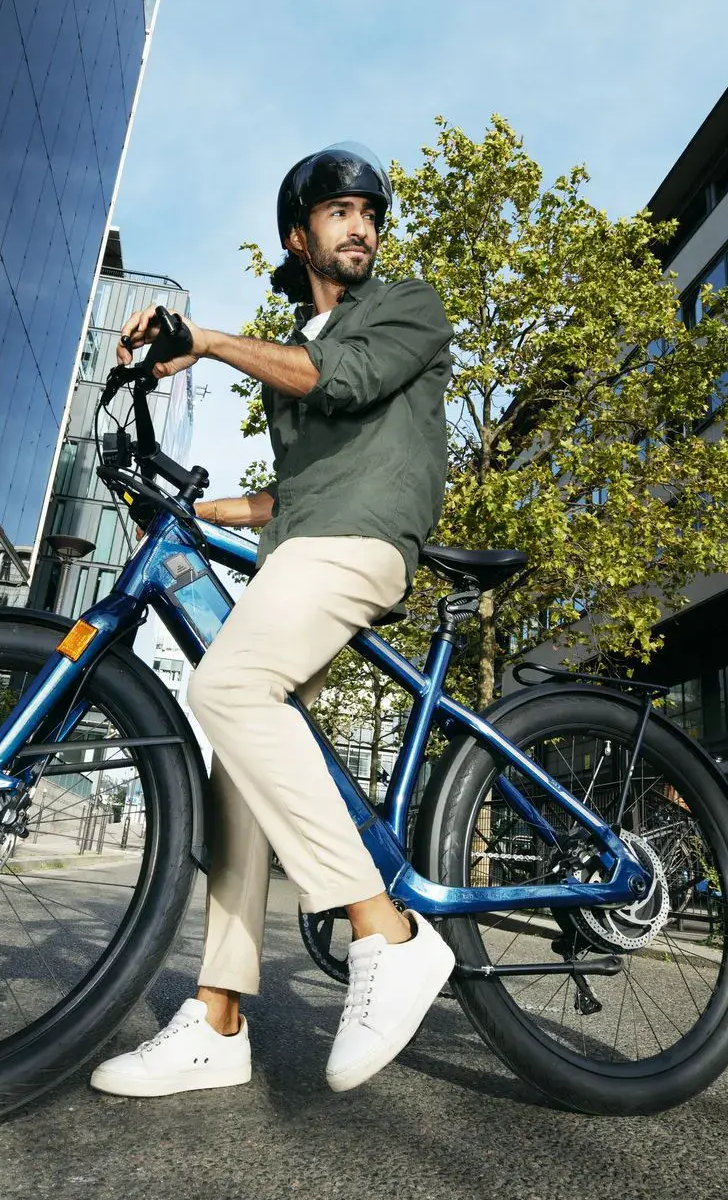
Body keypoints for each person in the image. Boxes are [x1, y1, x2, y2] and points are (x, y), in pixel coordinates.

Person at [89, 143, 455, 1097]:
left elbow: (344, 384)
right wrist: (195, 512)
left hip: (366, 542)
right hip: (308, 541)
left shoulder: (406, 305)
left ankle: (388, 933)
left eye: (368, 211)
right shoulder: (300, 345)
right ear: (301, 238)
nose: (361, 225)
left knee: (228, 687)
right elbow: (294, 491)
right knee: (241, 760)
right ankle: (217, 1019)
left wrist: (204, 339)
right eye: (339, 213)